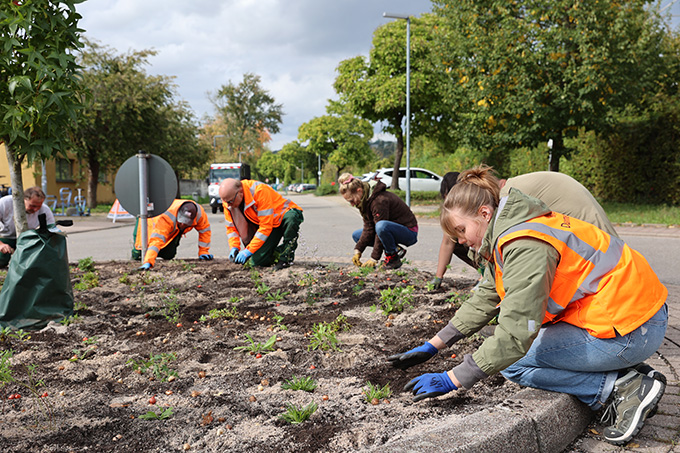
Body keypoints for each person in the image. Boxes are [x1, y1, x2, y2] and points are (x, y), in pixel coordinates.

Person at [389, 165, 668, 446]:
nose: (460, 241)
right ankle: (626, 375)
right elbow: (487, 295)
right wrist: (435, 344)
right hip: (632, 317)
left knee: (514, 363)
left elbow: (516, 334)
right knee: (508, 353)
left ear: (485, 213)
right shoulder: (512, 230)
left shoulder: (524, 244)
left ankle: (616, 388)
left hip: (632, 328)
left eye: (461, 230)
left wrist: (454, 378)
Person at [429, 170, 619, 290]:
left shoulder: (510, 198)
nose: (461, 239)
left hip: (596, 246)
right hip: (595, 241)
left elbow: (516, 254)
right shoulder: (509, 190)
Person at [219, 178, 303, 269]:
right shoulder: (228, 201)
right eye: (225, 202)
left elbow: (265, 226)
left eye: (230, 201)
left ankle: (286, 258)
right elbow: (231, 228)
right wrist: (234, 247)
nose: (228, 205)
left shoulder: (260, 191)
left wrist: (248, 251)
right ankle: (275, 252)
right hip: (269, 224)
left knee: (292, 218)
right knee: (257, 262)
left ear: (240, 192)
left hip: (282, 216)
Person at [338, 173, 418, 270]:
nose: (352, 204)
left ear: (359, 191)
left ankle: (393, 258)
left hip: (409, 232)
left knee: (381, 226)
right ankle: (395, 248)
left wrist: (374, 258)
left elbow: (380, 229)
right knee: (357, 235)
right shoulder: (364, 201)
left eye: (352, 200)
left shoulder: (378, 201)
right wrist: (358, 250)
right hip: (390, 229)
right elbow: (369, 228)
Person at [133, 199, 212, 270]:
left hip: (173, 228)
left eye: (186, 223)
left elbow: (205, 231)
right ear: (178, 214)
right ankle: (138, 257)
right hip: (148, 222)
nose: (182, 224)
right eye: (181, 221)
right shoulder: (167, 216)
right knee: (138, 252)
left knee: (169, 255)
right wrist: (148, 261)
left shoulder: (200, 214)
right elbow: (157, 240)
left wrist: (204, 251)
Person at [0, 186, 55, 267]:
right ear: (23, 199)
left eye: (39, 206)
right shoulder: (5, 203)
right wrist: (1, 244)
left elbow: (52, 230)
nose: (36, 210)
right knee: (1, 259)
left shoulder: (44, 210)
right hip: (5, 237)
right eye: (33, 206)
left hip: (27, 238)